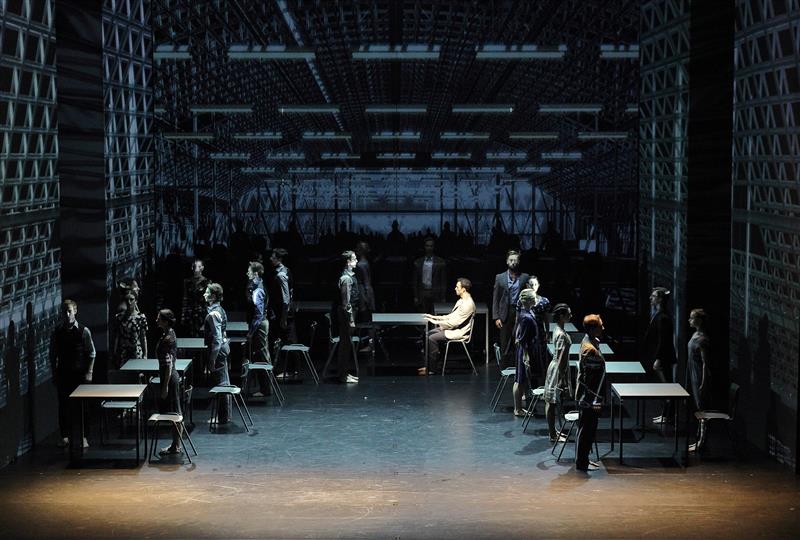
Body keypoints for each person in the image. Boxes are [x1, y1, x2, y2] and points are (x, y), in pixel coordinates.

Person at [51, 299, 95, 449]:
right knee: (63, 406)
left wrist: (89, 372)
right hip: (63, 373)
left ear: (75, 311)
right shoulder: (57, 332)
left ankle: (84, 437)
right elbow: (53, 354)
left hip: (79, 374)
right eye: (65, 312)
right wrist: (54, 372)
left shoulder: (83, 331)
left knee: (83, 407)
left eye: (69, 311)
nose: (67, 314)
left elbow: (92, 353)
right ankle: (65, 436)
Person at [420, 277, 476, 375]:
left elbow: (455, 323)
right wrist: (433, 317)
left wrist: (434, 322)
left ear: (463, 289)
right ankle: (429, 364)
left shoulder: (468, 304)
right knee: (427, 334)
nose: (455, 288)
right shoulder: (461, 301)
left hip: (459, 332)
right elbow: (451, 316)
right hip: (453, 328)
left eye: (457, 287)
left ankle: (432, 369)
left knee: (431, 338)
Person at [575, 314, 606, 472]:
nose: (603, 328)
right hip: (590, 398)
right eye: (600, 326)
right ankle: (582, 463)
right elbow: (590, 380)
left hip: (591, 397)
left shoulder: (592, 342)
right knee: (587, 430)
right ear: (593, 329)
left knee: (588, 429)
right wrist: (595, 401)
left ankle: (584, 460)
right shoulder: (590, 350)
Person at [492, 250, 530, 368]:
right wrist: (496, 317)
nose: (513, 262)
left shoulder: (524, 277)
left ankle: (519, 368)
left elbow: (529, 296)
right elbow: (496, 298)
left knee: (519, 339)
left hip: (519, 312)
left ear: (519, 261)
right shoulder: (500, 277)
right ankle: (504, 368)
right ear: (507, 261)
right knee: (505, 341)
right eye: (511, 260)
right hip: (505, 312)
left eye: (515, 260)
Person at [644, 287, 677, 424]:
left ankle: (668, 415)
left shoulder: (663, 317)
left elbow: (664, 341)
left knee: (667, 387)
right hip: (661, 357)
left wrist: (658, 359)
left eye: (653, 296)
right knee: (664, 387)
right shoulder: (659, 315)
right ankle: (665, 414)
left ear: (660, 299)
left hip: (663, 359)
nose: (651, 298)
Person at [544, 303, 573, 442]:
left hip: (557, 367)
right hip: (557, 368)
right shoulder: (560, 334)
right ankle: (552, 434)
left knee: (552, 401)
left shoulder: (557, 328)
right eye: (568, 313)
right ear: (561, 316)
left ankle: (553, 431)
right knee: (551, 402)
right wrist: (562, 377)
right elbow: (561, 358)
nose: (571, 315)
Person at [155, 309, 182, 455]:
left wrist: (165, 386)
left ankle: (176, 446)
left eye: (159, 318)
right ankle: (175, 445)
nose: (156, 320)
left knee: (175, 413)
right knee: (174, 412)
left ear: (165, 321)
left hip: (170, 378)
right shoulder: (169, 333)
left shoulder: (168, 338)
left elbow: (169, 364)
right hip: (169, 376)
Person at [204, 283, 231, 425]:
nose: (204, 294)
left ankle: (223, 417)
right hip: (223, 348)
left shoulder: (213, 314)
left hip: (218, 351)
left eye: (207, 292)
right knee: (224, 381)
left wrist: (212, 359)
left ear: (213, 296)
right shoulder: (220, 309)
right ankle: (225, 416)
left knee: (221, 383)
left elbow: (217, 339)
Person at [687, 308, 711, 452]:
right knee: (697, 407)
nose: (689, 320)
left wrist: (703, 382)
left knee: (702, 409)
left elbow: (705, 363)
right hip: (692, 373)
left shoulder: (703, 339)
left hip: (698, 375)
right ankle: (698, 438)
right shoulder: (694, 335)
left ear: (699, 320)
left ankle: (702, 441)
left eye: (692, 318)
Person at [246, 261, 270, 396]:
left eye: (249, 271)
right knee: (261, 355)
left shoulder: (258, 289)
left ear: (255, 273)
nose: (247, 273)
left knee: (262, 356)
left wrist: (251, 332)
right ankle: (265, 388)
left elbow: (258, 315)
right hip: (260, 324)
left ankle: (266, 389)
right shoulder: (256, 286)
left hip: (259, 326)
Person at [335, 251, 360, 383]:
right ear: (348, 262)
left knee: (347, 344)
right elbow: (346, 303)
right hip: (346, 316)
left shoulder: (351, 276)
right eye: (354, 259)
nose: (357, 261)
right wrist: (351, 320)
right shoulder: (346, 278)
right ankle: (343, 375)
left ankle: (345, 373)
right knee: (344, 345)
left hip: (349, 314)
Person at [267, 248, 297, 353]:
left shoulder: (281, 275)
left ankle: (292, 363)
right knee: (287, 340)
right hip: (283, 312)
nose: (271, 259)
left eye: (273, 257)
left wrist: (283, 318)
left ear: (279, 259)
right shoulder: (286, 270)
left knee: (288, 340)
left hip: (283, 313)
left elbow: (286, 299)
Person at [412, 237, 448, 314]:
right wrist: (416, 296)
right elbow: (415, 281)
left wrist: (443, 297)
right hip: (423, 292)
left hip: (435, 292)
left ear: (434, 247)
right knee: (423, 315)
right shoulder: (418, 262)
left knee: (435, 316)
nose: (429, 248)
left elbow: (443, 281)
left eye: (431, 246)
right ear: (424, 247)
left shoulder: (440, 262)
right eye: (427, 246)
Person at [112, 292, 148, 368]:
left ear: (136, 301)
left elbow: (143, 337)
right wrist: (114, 353)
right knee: (124, 372)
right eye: (127, 300)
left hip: (136, 351)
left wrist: (145, 355)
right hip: (123, 352)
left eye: (131, 299)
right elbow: (117, 336)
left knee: (137, 372)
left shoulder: (141, 317)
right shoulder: (119, 317)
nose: (129, 302)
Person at [181, 259, 209, 337]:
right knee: (191, 334)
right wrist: (183, 316)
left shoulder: (207, 282)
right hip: (190, 313)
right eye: (194, 266)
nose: (196, 268)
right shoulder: (187, 282)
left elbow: (208, 300)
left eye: (199, 266)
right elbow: (185, 298)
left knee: (202, 333)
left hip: (202, 312)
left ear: (202, 268)